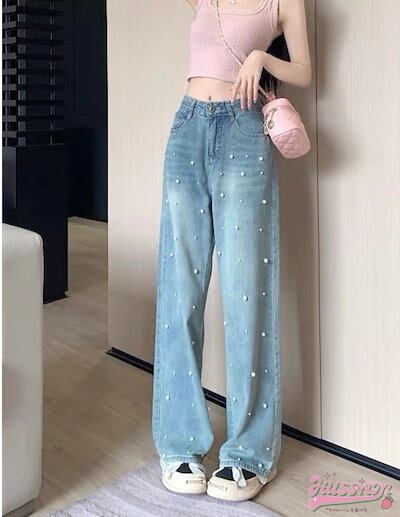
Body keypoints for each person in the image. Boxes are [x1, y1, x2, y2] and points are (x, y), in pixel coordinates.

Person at [152, 0, 311, 502]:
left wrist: (261, 58)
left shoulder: (284, 2)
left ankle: (249, 454)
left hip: (243, 129)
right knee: (180, 292)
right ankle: (179, 442)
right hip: (187, 128)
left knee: (247, 297)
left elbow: (304, 71)